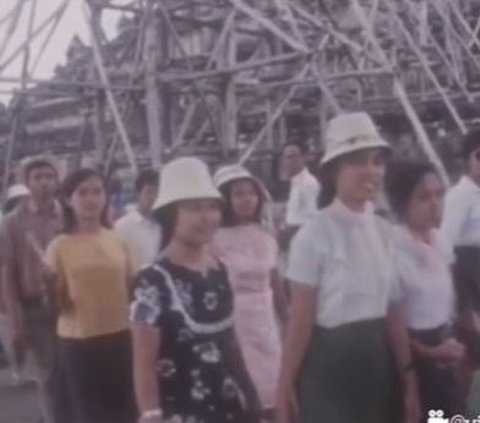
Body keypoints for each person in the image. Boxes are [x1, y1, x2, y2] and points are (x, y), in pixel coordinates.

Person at [275, 112, 419, 423]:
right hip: (329, 373)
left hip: (379, 368)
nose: (371, 171)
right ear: (333, 172)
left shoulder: (383, 231)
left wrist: (409, 380)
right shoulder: (313, 235)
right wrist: (284, 389)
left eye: (376, 161)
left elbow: (393, 312)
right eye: (357, 161)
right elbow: (299, 323)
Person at [130, 157, 260, 423]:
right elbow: (144, 360)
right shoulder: (152, 280)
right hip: (180, 409)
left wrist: (251, 396)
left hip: (228, 406)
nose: (208, 217)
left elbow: (230, 344)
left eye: (213, 207)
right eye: (194, 208)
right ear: (170, 215)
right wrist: (152, 414)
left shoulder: (218, 270)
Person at [45, 168, 136, 423]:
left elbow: (132, 288)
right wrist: (52, 291)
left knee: (125, 411)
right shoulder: (59, 246)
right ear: (68, 200)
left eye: (97, 191)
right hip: (79, 343)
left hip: (120, 337)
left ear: (106, 197)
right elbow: (53, 304)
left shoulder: (118, 240)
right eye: (82, 192)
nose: (91, 198)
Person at [385, 161, 466, 419]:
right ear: (401, 203)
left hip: (446, 348)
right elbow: (389, 325)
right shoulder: (393, 251)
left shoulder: (438, 240)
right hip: (411, 356)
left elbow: (448, 299)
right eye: (423, 197)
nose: (435, 204)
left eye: (439, 195)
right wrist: (429, 353)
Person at [212, 164, 287, 421]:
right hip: (234, 325)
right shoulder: (214, 240)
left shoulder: (266, 236)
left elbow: (275, 283)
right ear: (226, 199)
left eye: (251, 193)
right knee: (245, 394)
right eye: (239, 194)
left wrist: (287, 322)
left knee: (274, 392)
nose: (247, 200)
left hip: (266, 325)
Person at [0, 155, 62, 423]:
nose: (44, 183)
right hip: (35, 309)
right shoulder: (12, 223)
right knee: (47, 377)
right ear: (27, 182)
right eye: (38, 177)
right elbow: (8, 273)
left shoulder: (68, 216)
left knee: (73, 372)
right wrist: (15, 323)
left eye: (49, 176)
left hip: (71, 307)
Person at [0, 183, 31, 384]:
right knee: (10, 329)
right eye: (18, 201)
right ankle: (18, 367)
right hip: (5, 282)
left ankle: (26, 366)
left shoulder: (34, 221)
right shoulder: (4, 224)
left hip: (27, 282)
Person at [115, 169, 162, 271]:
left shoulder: (164, 225)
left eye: (158, 192)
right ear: (138, 194)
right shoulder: (122, 227)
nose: (154, 197)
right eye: (149, 192)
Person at [278, 141, 320, 249]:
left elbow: (315, 218)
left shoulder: (309, 183)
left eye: (294, 156)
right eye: (286, 157)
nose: (290, 160)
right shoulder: (294, 182)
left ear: (304, 158)